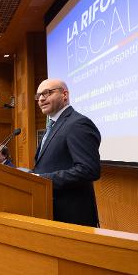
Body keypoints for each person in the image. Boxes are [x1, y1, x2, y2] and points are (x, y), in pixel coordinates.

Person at [32, 78, 101, 227]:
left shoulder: (78, 124)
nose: (41, 99)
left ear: (64, 95)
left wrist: (41, 179)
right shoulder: (53, 124)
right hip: (50, 211)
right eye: (38, 96)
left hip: (72, 216)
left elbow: (89, 170)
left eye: (47, 93)